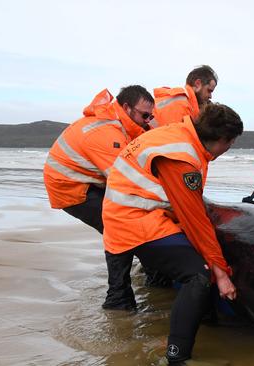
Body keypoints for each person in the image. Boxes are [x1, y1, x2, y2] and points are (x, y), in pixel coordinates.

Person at [102, 103, 243, 364]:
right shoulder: (181, 156)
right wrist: (221, 273)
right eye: (230, 144)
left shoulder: (181, 134)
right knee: (198, 275)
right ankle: (177, 357)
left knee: (197, 261)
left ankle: (201, 318)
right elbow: (194, 219)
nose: (227, 150)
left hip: (133, 213)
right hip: (135, 219)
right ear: (221, 139)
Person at [43, 85, 156, 310]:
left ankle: (151, 272)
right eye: (145, 115)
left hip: (88, 180)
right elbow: (126, 182)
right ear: (126, 108)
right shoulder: (108, 134)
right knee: (119, 226)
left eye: (151, 116)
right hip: (70, 186)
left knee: (128, 221)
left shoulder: (118, 125)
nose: (148, 121)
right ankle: (118, 298)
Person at [152, 65, 218, 127]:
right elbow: (176, 138)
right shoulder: (181, 105)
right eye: (209, 91)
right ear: (198, 84)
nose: (210, 96)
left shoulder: (182, 102)